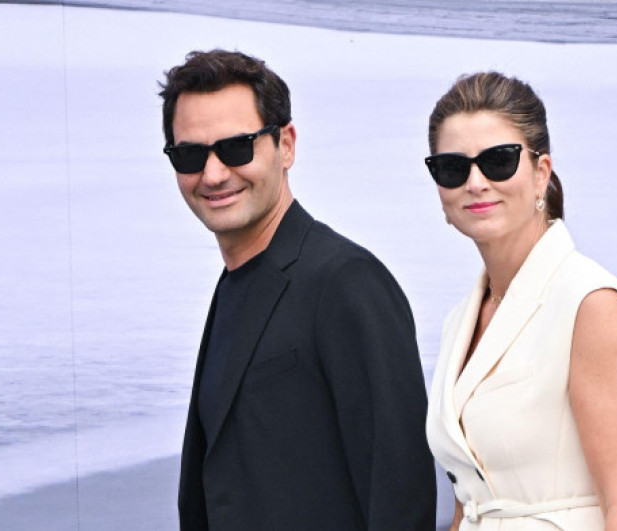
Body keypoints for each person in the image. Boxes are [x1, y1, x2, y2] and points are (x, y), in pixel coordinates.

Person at [158, 49, 436, 530]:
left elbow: (399, 491)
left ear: (285, 145)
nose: (213, 174)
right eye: (190, 154)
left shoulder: (346, 282)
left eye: (237, 147)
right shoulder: (234, 283)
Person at [424, 72, 617, 530]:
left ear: (541, 173)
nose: (475, 182)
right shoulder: (460, 321)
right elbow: (469, 500)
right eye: (453, 167)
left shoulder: (590, 303)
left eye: (498, 161)